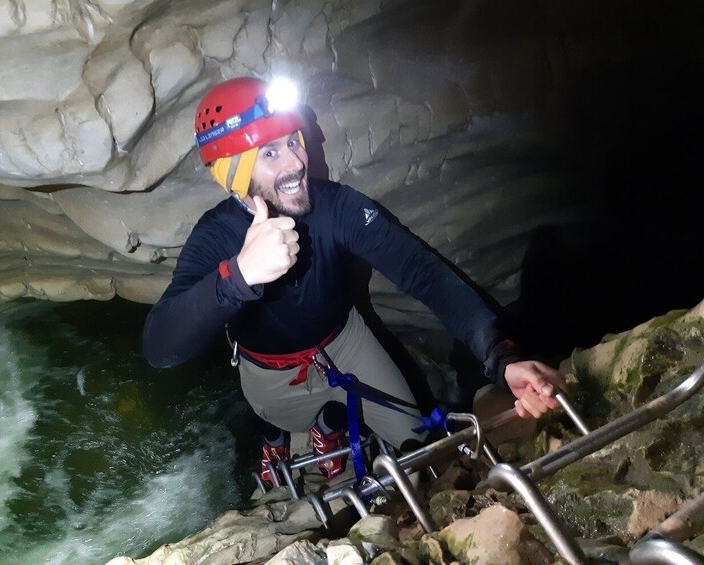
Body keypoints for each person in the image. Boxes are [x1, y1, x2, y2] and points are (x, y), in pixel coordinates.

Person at [142, 76, 565, 484]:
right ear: (232, 172)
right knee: (280, 422)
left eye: (293, 141)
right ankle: (281, 440)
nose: (295, 162)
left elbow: (424, 273)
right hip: (270, 371)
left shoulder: (338, 207)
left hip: (347, 342)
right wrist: (239, 276)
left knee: (420, 445)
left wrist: (502, 357)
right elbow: (161, 347)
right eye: (268, 153)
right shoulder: (215, 235)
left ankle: (331, 426)